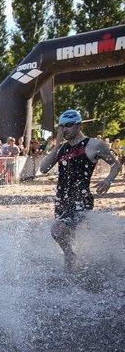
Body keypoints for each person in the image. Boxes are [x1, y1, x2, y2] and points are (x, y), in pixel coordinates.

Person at [39, 109, 122, 270]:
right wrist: (56, 145)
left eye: (68, 126)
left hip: (81, 198)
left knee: (57, 230)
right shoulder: (61, 148)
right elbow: (43, 169)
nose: (65, 130)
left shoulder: (94, 144)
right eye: (61, 127)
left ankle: (70, 257)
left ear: (79, 125)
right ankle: (76, 262)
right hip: (62, 199)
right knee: (67, 233)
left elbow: (115, 165)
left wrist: (108, 180)